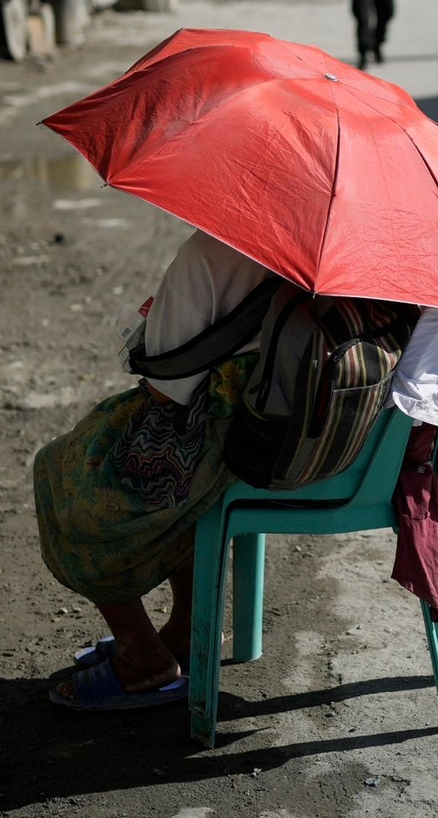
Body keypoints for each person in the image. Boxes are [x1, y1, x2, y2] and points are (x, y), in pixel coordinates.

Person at [34, 230, 273, 709]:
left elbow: (169, 388)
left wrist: (159, 325)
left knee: (61, 471)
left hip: (230, 446)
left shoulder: (215, 252)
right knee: (172, 485)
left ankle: (144, 656)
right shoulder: (367, 267)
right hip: (312, 450)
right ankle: (185, 630)